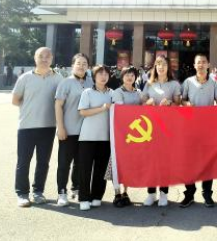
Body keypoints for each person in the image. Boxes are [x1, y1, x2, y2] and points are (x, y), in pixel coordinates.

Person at [12, 47, 63, 208]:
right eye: (41, 56)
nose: (44, 59)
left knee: (43, 162)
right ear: (35, 58)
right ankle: (22, 194)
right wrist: (30, 106)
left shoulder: (58, 78)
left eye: (48, 56)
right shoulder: (25, 78)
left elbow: (62, 101)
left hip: (48, 127)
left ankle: (38, 192)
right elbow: (15, 100)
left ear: (52, 59)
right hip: (26, 126)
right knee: (23, 161)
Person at [180, 53, 217, 208]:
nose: (201, 65)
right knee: (189, 162)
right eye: (198, 62)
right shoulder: (188, 82)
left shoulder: (214, 83)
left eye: (203, 62)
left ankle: (207, 193)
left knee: (207, 161)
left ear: (208, 65)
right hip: (190, 128)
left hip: (208, 128)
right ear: (194, 65)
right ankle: (189, 193)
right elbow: (182, 100)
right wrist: (187, 104)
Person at [141, 55, 181, 207]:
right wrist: (148, 102)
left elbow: (178, 104)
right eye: (158, 64)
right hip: (150, 128)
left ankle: (164, 193)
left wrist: (170, 103)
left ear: (168, 67)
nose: (161, 67)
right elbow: (142, 103)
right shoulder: (149, 84)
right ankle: (151, 193)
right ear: (155, 67)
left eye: (164, 64)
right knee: (151, 161)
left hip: (167, 127)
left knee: (164, 161)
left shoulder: (174, 84)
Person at [54, 53, 93, 207]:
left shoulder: (91, 82)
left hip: (86, 132)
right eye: (78, 63)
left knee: (81, 163)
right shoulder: (66, 83)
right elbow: (58, 105)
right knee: (64, 163)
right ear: (72, 66)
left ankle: (76, 188)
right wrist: (60, 127)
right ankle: (61, 192)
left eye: (84, 64)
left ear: (88, 66)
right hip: (69, 130)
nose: (81, 66)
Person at [77, 65, 113, 211]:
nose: (103, 77)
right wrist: (102, 108)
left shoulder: (112, 93)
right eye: (100, 74)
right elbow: (83, 112)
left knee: (101, 169)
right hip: (88, 136)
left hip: (105, 137)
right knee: (85, 169)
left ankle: (97, 196)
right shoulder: (87, 92)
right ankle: (84, 198)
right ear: (94, 76)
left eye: (106, 74)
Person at [111, 66, 142, 208]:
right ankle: (117, 192)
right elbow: (121, 111)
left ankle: (125, 192)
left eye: (132, 75)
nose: (130, 77)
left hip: (135, 135)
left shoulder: (139, 92)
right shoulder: (117, 92)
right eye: (127, 75)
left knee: (129, 164)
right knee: (117, 163)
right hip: (120, 133)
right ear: (122, 76)